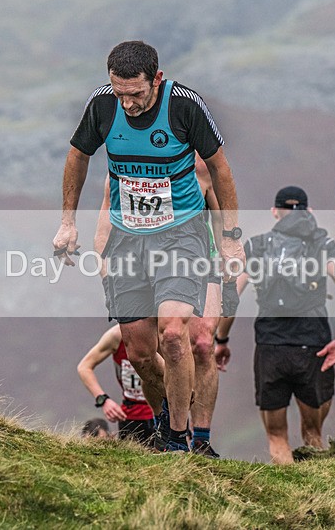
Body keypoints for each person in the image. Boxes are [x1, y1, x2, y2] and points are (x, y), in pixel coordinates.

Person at [53, 40, 245, 453]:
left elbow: (220, 168)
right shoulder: (103, 106)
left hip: (181, 235)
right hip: (127, 239)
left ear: (156, 79)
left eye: (136, 94)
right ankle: (166, 418)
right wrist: (68, 222)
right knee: (139, 352)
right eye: (119, 93)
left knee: (175, 334)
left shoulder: (184, 106)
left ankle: (178, 438)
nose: (128, 104)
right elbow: (77, 156)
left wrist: (229, 239)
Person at [93, 155, 224, 457]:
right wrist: (106, 273)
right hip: (140, 260)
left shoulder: (200, 163)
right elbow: (105, 226)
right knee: (143, 354)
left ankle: (200, 438)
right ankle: (166, 418)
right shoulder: (123, 166)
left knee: (201, 342)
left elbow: (220, 214)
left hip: (198, 257)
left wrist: (226, 254)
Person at [215, 186, 335, 464]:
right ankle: (319, 497)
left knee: (276, 436)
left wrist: (222, 339)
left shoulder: (256, 246)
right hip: (314, 344)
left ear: (275, 212)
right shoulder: (323, 245)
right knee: (314, 434)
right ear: (309, 211)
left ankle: (289, 497)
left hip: (271, 346)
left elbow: (230, 296)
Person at [77, 325, 156, 445]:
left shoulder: (166, 334)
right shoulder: (116, 336)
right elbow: (84, 367)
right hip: (131, 415)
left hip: (164, 411)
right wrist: (103, 400)